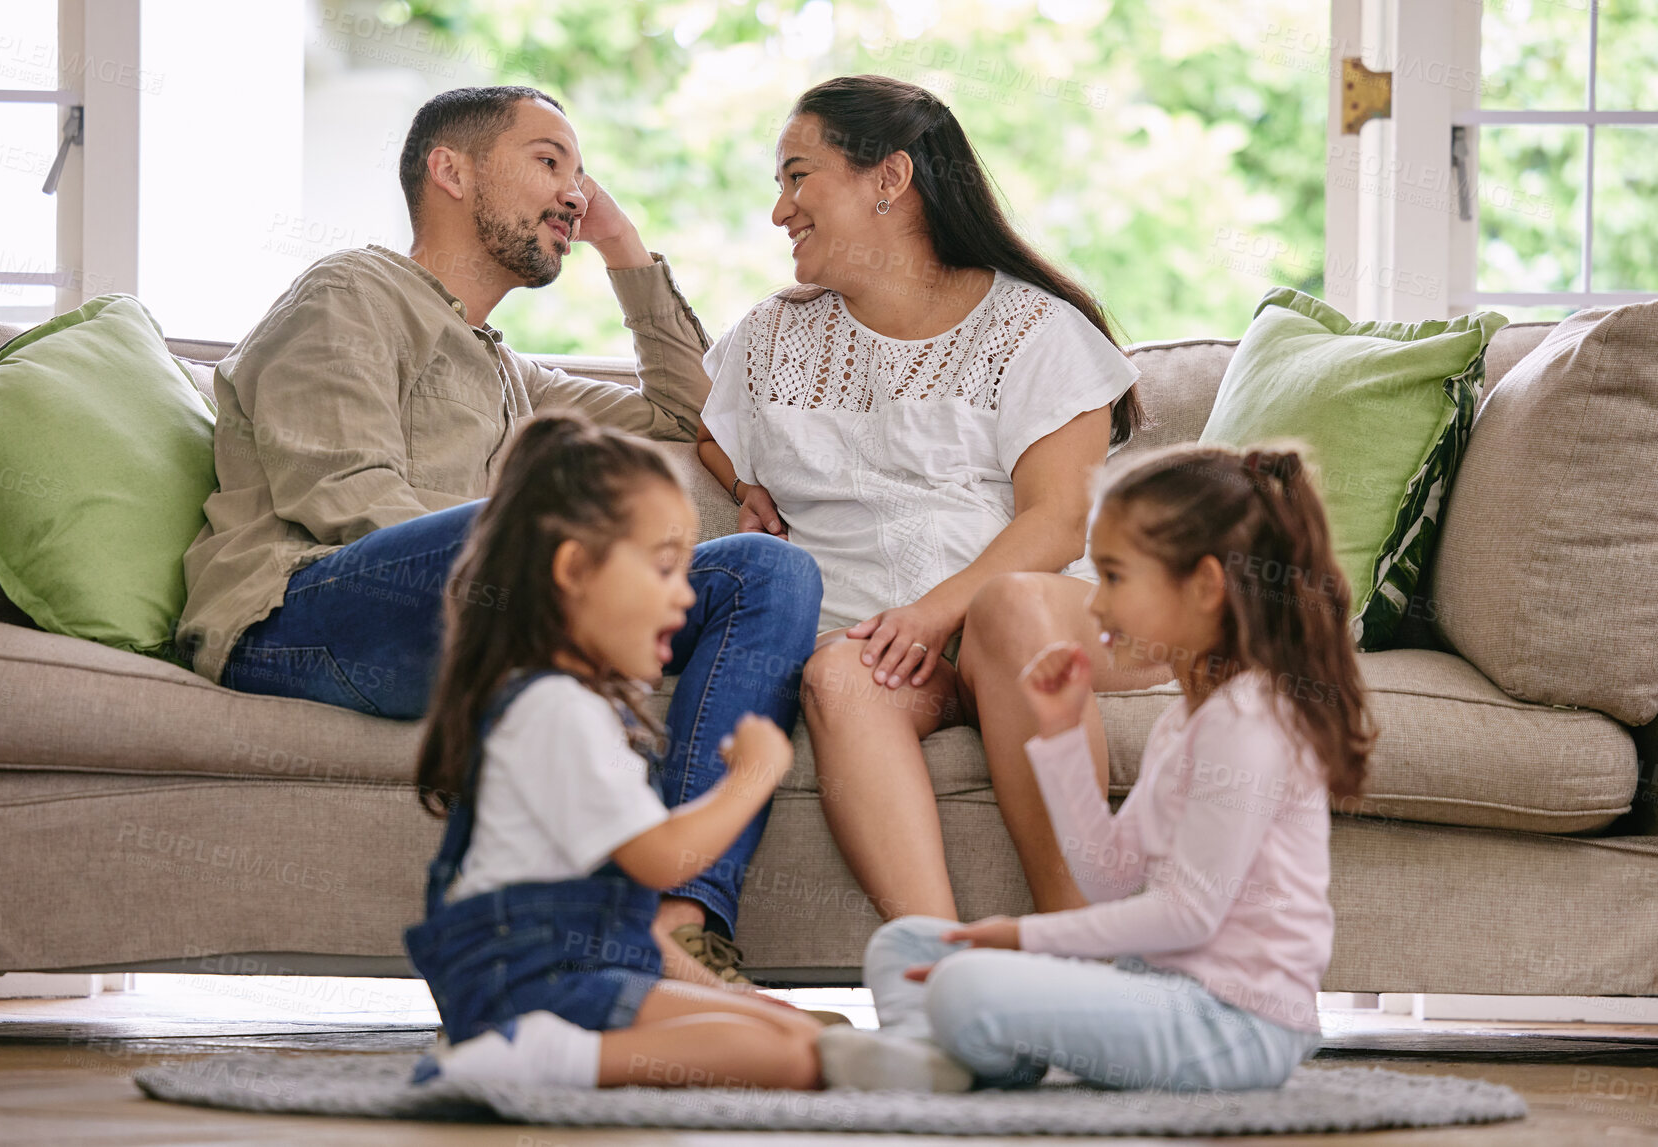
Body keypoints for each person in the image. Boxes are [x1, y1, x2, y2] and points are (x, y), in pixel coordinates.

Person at [175, 86, 821, 987]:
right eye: (548, 161)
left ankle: (678, 927)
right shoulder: (350, 292)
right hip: (302, 613)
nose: (572, 191)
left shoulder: (508, 369)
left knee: (766, 569)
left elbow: (688, 414)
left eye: (580, 174)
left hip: (462, 609)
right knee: (535, 538)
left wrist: (620, 246)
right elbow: (342, 496)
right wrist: (544, 588)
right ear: (451, 170)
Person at [696, 74, 1153, 924]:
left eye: (799, 177)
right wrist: (742, 484)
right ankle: (939, 965)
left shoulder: (1035, 328)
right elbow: (704, 425)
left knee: (1008, 611)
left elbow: (1055, 522)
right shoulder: (770, 335)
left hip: (1023, 619)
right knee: (838, 673)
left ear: (889, 180)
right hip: (878, 642)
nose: (779, 210)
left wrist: (935, 613)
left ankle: (1075, 944)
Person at [820, 443, 1375, 1092]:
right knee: (908, 944)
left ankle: (946, 1047)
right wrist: (1057, 735)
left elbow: (1187, 916)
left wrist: (1021, 938)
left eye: (1114, 576)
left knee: (965, 979)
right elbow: (1108, 873)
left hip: (1234, 1024)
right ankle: (932, 1060)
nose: (1096, 604)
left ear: (1202, 587)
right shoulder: (1188, 719)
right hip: (1155, 992)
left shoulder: (1249, 725)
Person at [402, 414, 828, 1093]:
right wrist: (750, 775)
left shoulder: (581, 710)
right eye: (665, 569)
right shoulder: (556, 709)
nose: (687, 594)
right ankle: (532, 1057)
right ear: (573, 568)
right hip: (530, 981)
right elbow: (663, 861)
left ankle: (526, 1051)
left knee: (796, 1037)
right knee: (788, 1059)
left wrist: (737, 1001)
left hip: (576, 971)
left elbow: (627, 922)